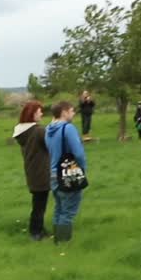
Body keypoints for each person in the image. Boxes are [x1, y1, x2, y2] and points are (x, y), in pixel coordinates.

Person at [45, 101, 87, 244]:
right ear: (64, 112)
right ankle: (63, 243)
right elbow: (78, 153)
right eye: (71, 110)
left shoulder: (48, 129)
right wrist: (82, 168)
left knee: (59, 208)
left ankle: (57, 240)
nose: (74, 113)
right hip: (68, 174)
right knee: (68, 211)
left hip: (53, 173)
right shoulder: (68, 128)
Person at [12, 101, 51, 241]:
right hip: (41, 171)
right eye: (39, 111)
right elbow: (51, 145)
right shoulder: (38, 131)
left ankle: (40, 229)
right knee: (39, 205)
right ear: (33, 113)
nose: (41, 113)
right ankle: (35, 232)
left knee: (38, 203)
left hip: (32, 171)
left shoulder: (22, 132)